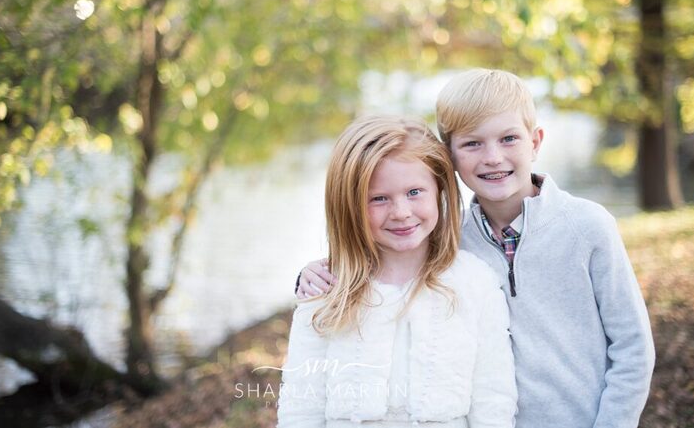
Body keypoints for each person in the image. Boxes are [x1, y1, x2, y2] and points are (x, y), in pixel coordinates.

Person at [297, 70, 656, 428]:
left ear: (535, 142)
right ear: (448, 156)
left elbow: (632, 348)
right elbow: (385, 264)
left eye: (508, 139)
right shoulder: (451, 243)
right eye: (472, 144)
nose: (493, 157)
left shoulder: (587, 227)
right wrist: (313, 274)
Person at [278, 115, 517, 428]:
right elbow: (300, 409)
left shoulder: (476, 283)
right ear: (349, 205)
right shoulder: (326, 290)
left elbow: (494, 402)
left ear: (440, 190)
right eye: (379, 199)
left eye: (415, 192)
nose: (401, 213)